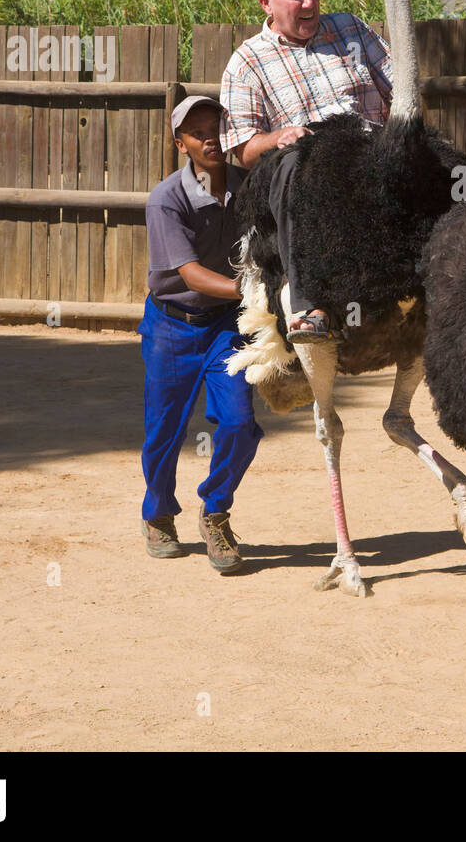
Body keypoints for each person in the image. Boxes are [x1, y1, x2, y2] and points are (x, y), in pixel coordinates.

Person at [219, 0, 394, 340]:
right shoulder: (247, 63)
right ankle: (309, 304)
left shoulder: (349, 28)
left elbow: (399, 90)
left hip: (372, 159)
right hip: (311, 177)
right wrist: (278, 137)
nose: (310, 3)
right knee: (291, 159)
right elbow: (244, 150)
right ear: (266, 3)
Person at [138, 95, 262, 574]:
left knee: (239, 422)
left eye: (216, 128)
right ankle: (158, 515)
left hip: (227, 325)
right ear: (180, 144)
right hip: (171, 324)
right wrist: (256, 290)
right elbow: (189, 274)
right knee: (164, 430)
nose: (210, 139)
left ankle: (215, 513)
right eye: (197, 133)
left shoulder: (250, 187)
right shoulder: (166, 199)